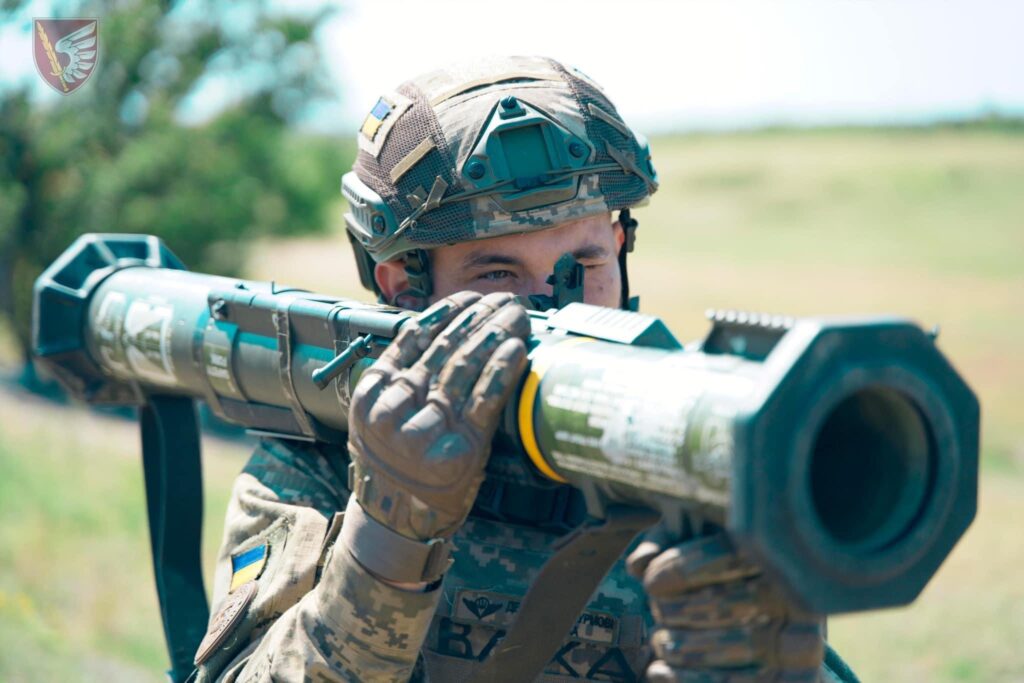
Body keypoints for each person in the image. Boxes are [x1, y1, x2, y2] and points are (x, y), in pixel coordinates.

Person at [193, 56, 858, 683]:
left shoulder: (690, 448)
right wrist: (385, 536)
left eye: (585, 266)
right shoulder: (327, 460)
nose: (554, 307)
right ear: (403, 286)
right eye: (497, 274)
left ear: (622, 248)